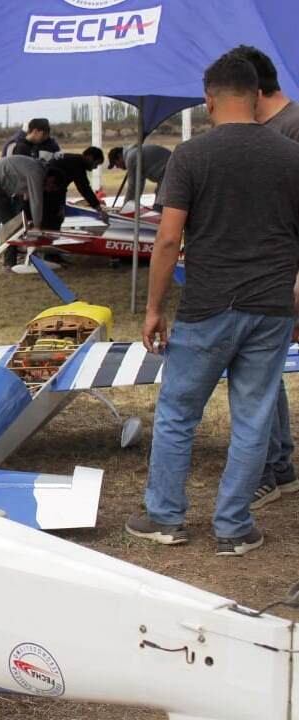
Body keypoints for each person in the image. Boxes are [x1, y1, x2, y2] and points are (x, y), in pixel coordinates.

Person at [127, 52, 299, 556]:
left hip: (209, 306)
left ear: (209, 98)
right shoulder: (292, 155)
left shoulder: (191, 156)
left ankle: (165, 516)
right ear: (256, 94)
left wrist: (154, 308)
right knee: (252, 416)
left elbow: (167, 240)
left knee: (180, 412)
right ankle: (233, 527)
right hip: (270, 307)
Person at [229, 44, 299, 511]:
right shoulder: (277, 127)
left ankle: (273, 468)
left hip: (282, 277)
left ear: (254, 90)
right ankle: (282, 466)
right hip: (270, 275)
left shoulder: (290, 130)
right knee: (263, 370)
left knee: (259, 372)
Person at [0, 154, 45, 269]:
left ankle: (10, 260)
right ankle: (9, 263)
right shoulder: (36, 172)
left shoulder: (31, 166)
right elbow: (36, 200)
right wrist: (37, 225)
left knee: (14, 222)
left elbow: (27, 196)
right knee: (11, 224)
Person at [42, 147, 108, 232]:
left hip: (53, 192)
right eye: (96, 163)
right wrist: (99, 209)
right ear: (90, 157)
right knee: (52, 220)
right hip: (48, 193)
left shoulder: (73, 160)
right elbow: (84, 188)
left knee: (56, 218)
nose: (95, 167)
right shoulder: (76, 163)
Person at [107, 144, 171, 208]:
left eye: (116, 163)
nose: (118, 167)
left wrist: (126, 207)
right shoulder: (133, 152)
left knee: (160, 205)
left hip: (171, 171)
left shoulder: (131, 158)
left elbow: (134, 187)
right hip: (168, 171)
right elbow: (138, 185)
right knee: (160, 200)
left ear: (119, 156)